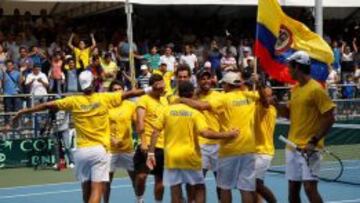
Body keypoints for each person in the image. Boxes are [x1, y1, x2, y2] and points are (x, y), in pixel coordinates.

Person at [8, 70, 160, 203]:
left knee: (85, 191)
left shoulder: (73, 101)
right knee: (97, 190)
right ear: (94, 83)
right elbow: (131, 93)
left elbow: (47, 105)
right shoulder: (104, 98)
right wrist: (150, 88)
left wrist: (23, 112)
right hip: (100, 151)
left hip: (81, 152)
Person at [147, 81, 239, 203]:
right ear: (192, 93)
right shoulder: (196, 113)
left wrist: (151, 153)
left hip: (171, 157)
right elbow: (205, 133)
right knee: (200, 187)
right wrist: (227, 134)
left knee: (175, 190)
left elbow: (155, 132)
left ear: (179, 93)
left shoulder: (167, 110)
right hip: (190, 157)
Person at [180, 71, 261, 203]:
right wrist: (256, 82)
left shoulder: (222, 97)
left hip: (227, 147)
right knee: (245, 189)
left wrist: (180, 99)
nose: (222, 86)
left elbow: (202, 105)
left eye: (224, 84)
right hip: (247, 148)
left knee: (224, 187)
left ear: (228, 85)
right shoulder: (250, 96)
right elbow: (266, 96)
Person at [275, 51, 335, 203]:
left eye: (290, 66)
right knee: (293, 189)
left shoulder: (316, 89)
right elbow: (289, 115)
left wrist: (313, 141)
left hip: (310, 149)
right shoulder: (295, 89)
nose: (288, 69)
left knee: (309, 188)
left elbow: (330, 118)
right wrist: (276, 104)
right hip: (292, 147)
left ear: (297, 67)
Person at [134, 74, 168, 203]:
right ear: (152, 86)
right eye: (158, 86)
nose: (161, 89)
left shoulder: (165, 100)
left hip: (163, 145)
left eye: (162, 85)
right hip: (147, 144)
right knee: (142, 176)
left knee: (160, 180)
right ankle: (139, 199)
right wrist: (143, 142)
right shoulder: (143, 99)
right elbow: (140, 122)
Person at [104, 80, 137, 203]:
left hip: (127, 148)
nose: (117, 92)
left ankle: (140, 199)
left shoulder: (130, 105)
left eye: (119, 89)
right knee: (106, 181)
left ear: (123, 90)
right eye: (114, 90)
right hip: (110, 150)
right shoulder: (106, 106)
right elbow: (102, 128)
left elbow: (137, 124)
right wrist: (111, 139)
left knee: (136, 179)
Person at [194, 68, 224, 201]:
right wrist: (195, 93)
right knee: (198, 182)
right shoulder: (193, 97)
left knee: (221, 184)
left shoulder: (219, 96)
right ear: (198, 81)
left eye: (208, 78)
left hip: (218, 144)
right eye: (203, 78)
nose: (206, 81)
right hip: (200, 145)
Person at [254, 87, 277, 203]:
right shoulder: (254, 106)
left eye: (269, 96)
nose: (266, 97)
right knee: (253, 186)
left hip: (263, 152)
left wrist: (258, 84)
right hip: (252, 150)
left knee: (255, 184)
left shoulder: (268, 109)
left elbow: (263, 101)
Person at [0, 60, 23, 125]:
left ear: (13, 66)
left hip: (15, 94)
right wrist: (4, 73)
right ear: (6, 66)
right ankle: (7, 124)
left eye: (10, 65)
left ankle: (16, 124)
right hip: (7, 94)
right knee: (7, 110)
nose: (9, 66)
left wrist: (21, 71)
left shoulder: (17, 73)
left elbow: (20, 82)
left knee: (16, 110)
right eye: (7, 65)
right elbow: (3, 83)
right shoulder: (3, 73)